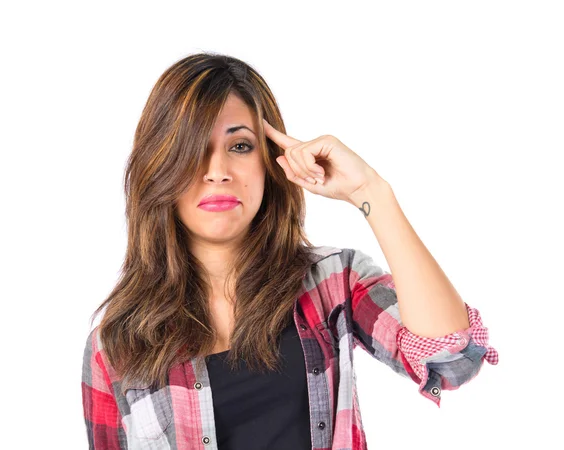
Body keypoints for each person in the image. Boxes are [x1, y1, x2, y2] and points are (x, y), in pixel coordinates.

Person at [81, 52, 499, 450]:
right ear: (160, 166)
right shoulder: (116, 344)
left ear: (270, 161)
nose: (217, 171)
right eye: (191, 149)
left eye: (240, 146)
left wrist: (370, 192)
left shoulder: (333, 283)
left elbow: (450, 355)